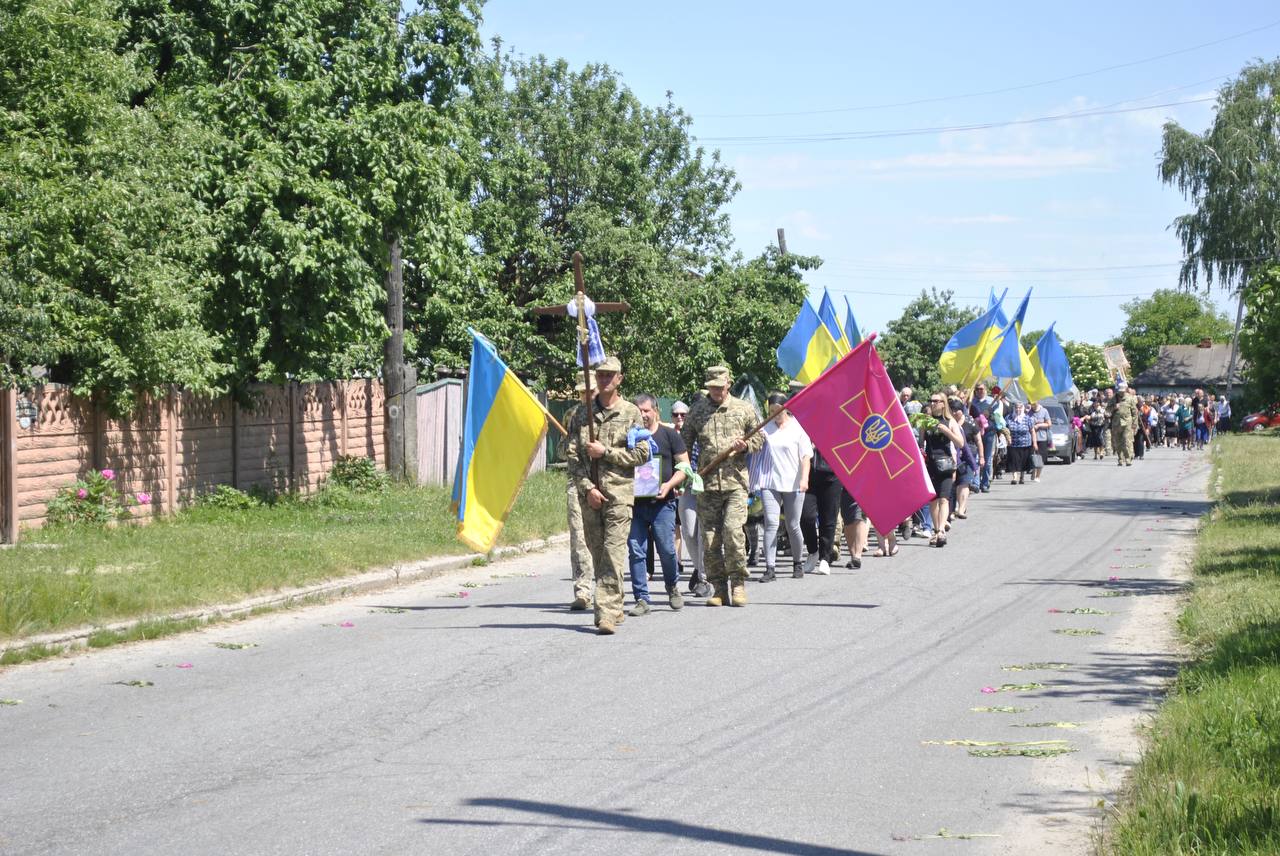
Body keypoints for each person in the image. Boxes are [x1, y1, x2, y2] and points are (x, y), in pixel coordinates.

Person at [565, 356, 650, 635]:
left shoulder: (632, 414)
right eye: (600, 375)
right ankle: (617, 602)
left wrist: (607, 453)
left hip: (619, 495)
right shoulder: (581, 413)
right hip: (590, 496)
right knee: (598, 552)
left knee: (613, 554)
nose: (604, 380)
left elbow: (642, 454)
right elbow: (573, 457)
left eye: (609, 375)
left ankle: (606, 613)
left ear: (619, 379)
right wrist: (587, 488)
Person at [681, 366, 765, 607]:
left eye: (721, 386)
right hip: (706, 485)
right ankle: (719, 588)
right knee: (709, 540)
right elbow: (683, 445)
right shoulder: (697, 411)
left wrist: (745, 446)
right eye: (713, 387)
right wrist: (688, 472)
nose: (717, 391)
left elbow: (759, 437)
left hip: (735, 483)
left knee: (732, 532)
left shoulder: (743, 408)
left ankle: (738, 584)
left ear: (728, 383)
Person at [625, 393, 689, 616]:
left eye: (646, 411)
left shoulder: (669, 435)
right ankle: (642, 599)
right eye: (638, 411)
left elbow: (685, 467)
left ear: (655, 411)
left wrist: (669, 485)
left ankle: (672, 587)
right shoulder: (628, 438)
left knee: (667, 550)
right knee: (636, 550)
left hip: (663, 503)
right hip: (634, 504)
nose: (642, 415)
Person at [754, 393, 812, 583]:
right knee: (771, 523)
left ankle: (797, 563)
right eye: (770, 411)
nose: (774, 414)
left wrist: (804, 479)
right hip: (770, 483)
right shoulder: (765, 428)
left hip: (793, 483)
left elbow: (805, 456)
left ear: (785, 408)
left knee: (792, 524)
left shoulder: (798, 427)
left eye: (777, 410)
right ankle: (770, 568)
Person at [670, 400, 709, 597]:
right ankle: (700, 568)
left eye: (684, 415)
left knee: (703, 534)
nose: (681, 418)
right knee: (689, 532)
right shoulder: (678, 437)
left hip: (707, 488)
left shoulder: (708, 433)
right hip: (687, 487)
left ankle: (704, 578)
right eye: (676, 415)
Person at [563, 377, 595, 611]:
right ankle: (583, 589)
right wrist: (568, 444)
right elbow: (562, 451)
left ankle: (608, 588)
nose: (586, 396)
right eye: (582, 392)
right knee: (579, 537)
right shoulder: (572, 415)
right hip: (577, 481)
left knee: (603, 537)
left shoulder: (611, 411)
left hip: (605, 481)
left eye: (590, 391)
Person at [922, 392, 964, 546]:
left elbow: (960, 443)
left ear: (943, 403)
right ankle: (936, 530)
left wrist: (946, 431)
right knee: (932, 500)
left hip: (946, 465)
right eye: (930, 400)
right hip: (930, 465)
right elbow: (920, 444)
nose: (932, 403)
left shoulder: (950, 421)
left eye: (935, 401)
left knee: (944, 498)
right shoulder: (926, 421)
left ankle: (941, 531)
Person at [800, 449, 842, 576]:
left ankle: (825, 558)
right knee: (806, 516)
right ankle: (813, 551)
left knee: (829, 519)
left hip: (832, 474)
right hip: (807, 475)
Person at [952, 399, 982, 519]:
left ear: (962, 410)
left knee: (964, 483)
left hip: (968, 456)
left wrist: (982, 456)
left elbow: (978, 440)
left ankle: (961, 509)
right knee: (955, 484)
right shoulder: (949, 423)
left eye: (957, 410)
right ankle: (953, 508)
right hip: (953, 456)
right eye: (952, 410)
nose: (954, 413)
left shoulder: (971, 422)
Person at [970, 383, 998, 493]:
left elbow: (999, 417)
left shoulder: (993, 402)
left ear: (985, 389)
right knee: (976, 458)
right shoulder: (972, 402)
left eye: (981, 389)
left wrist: (990, 413)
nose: (979, 391)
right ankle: (976, 483)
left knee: (987, 460)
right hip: (976, 433)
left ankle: (985, 483)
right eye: (977, 389)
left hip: (989, 433)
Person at [1108, 383, 1139, 466]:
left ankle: (1128, 459)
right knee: (1118, 442)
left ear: (1125, 389)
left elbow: (1135, 412)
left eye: (1122, 391)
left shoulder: (1130, 398)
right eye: (1119, 391)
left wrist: (1134, 424)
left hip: (1127, 423)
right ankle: (1120, 459)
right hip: (1116, 423)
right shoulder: (1113, 399)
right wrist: (1114, 407)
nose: (1121, 393)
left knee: (1126, 441)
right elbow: (1107, 411)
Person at [1005, 401, 1035, 485]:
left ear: (1023, 408)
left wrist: (1034, 443)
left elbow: (1032, 431)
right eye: (1016, 407)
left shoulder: (1027, 418)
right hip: (1013, 443)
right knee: (1013, 460)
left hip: (1025, 443)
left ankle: (1022, 477)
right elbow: (1005, 429)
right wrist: (1007, 438)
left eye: (1020, 407)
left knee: (1023, 461)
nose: (1018, 409)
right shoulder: (1009, 417)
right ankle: (1014, 478)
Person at [1027, 399, 1052, 482]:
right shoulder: (1029, 412)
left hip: (1042, 438)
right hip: (1030, 438)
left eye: (1033, 403)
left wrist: (1039, 425)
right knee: (1032, 457)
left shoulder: (1044, 411)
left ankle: (1038, 476)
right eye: (1030, 403)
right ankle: (1033, 471)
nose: (1032, 405)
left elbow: (1049, 424)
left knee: (1040, 458)